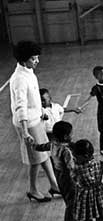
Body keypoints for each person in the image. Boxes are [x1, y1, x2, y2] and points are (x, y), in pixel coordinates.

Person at [9, 40, 59, 202]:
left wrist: (41, 112)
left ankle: (54, 185)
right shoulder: (19, 79)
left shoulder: (29, 72)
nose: (37, 61)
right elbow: (21, 106)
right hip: (27, 124)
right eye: (33, 58)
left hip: (34, 120)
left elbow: (34, 98)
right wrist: (24, 131)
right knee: (36, 159)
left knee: (44, 154)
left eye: (37, 57)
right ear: (24, 60)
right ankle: (33, 189)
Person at [33, 121, 83, 221]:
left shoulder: (53, 144)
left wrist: (34, 145)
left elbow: (42, 147)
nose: (72, 136)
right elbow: (71, 167)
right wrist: (78, 178)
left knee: (67, 198)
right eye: (71, 134)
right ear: (66, 136)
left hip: (59, 175)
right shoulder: (66, 151)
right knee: (72, 200)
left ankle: (72, 216)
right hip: (68, 178)